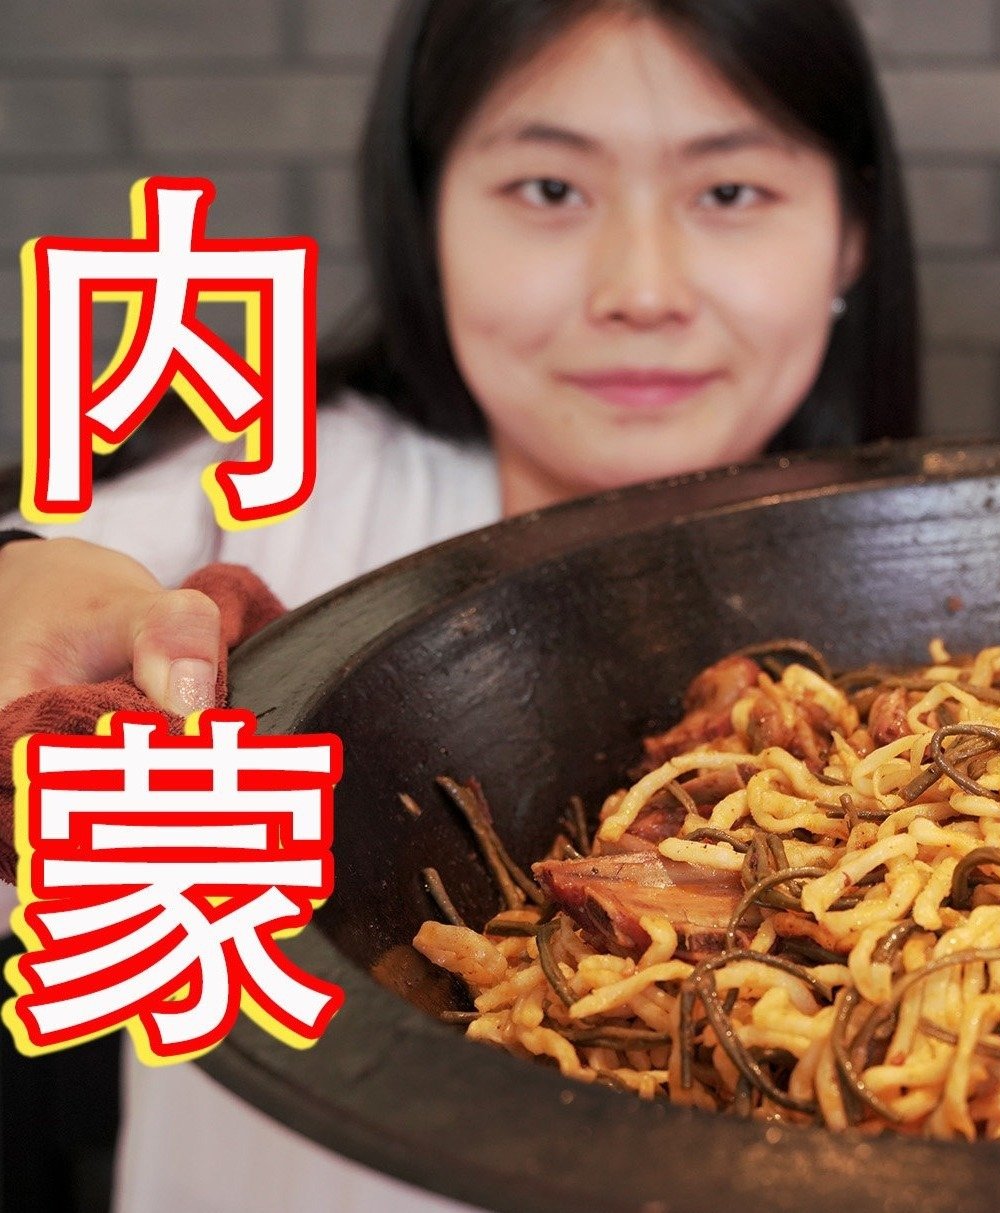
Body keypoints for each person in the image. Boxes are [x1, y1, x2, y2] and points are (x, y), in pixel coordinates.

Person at [0, 0, 918, 1208]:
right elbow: (57, 591)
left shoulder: (920, 594)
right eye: (548, 189)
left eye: (730, 193)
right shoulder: (259, 498)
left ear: (851, 233)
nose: (640, 288)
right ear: (427, 212)